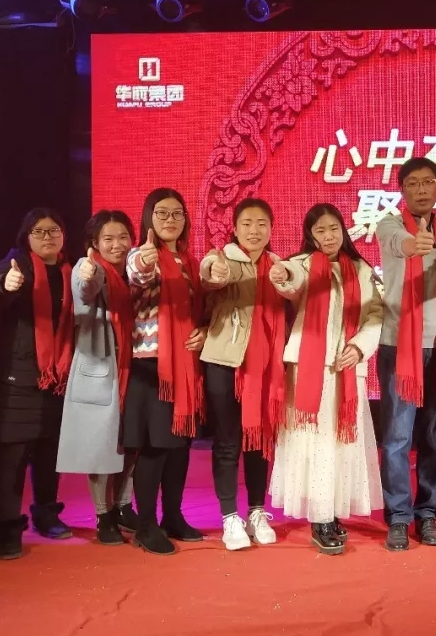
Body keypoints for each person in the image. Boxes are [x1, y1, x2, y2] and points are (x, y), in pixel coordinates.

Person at [269, 204, 385, 554]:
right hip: (309, 370)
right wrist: (282, 274)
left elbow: (375, 314)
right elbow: (292, 280)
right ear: (310, 235)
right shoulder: (304, 264)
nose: (328, 236)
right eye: (320, 230)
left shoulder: (362, 270)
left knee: (341, 443)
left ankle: (332, 512)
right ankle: (320, 518)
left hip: (346, 369)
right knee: (315, 443)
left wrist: (359, 347)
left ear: (343, 230)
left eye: (333, 228)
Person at [375, 157, 436, 551]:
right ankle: (398, 517)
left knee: (433, 437)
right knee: (396, 438)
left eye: (428, 182)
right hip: (399, 345)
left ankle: (427, 514)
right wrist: (415, 244)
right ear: (402, 189)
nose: (421, 189)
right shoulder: (388, 225)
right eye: (413, 183)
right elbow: (400, 244)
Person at [0, 208, 77, 560]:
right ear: (26, 237)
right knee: (12, 455)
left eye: (54, 230)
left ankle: (46, 514)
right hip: (18, 376)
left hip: (57, 378)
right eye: (39, 231)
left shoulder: (69, 271)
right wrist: (5, 285)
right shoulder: (17, 264)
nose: (48, 237)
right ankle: (9, 529)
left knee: (48, 452)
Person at [126, 188, 207, 555]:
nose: (170, 220)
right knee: (155, 448)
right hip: (152, 367)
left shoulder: (190, 261)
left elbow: (198, 311)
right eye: (162, 213)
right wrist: (146, 261)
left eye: (177, 213)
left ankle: (173, 516)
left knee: (179, 448)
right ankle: (146, 525)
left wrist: (203, 330)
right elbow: (138, 275)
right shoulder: (141, 255)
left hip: (186, 367)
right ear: (149, 217)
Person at [198, 198, 282, 551]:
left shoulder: (279, 266)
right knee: (228, 440)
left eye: (262, 223)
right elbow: (210, 275)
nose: (254, 230)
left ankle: (257, 511)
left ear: (272, 228)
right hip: (224, 361)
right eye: (246, 223)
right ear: (234, 228)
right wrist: (213, 272)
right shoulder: (222, 258)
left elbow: (295, 286)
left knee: (259, 439)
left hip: (265, 365)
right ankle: (230, 515)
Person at [56, 210, 139, 546]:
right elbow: (85, 290)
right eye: (108, 238)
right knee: (100, 446)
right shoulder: (88, 267)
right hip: (100, 368)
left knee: (130, 442)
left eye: (123, 237)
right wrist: (88, 276)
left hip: (132, 367)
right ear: (94, 243)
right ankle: (103, 515)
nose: (117, 244)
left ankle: (123, 506)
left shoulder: (134, 272)